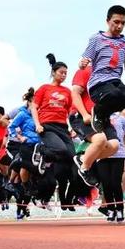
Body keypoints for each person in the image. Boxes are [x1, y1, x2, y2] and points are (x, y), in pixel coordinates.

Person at [79, 4, 125, 147]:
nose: (119, 26)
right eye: (116, 22)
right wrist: (83, 63)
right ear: (107, 21)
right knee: (114, 94)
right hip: (98, 82)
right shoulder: (96, 39)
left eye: (123, 23)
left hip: (115, 80)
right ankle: (97, 111)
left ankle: (102, 116)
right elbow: (83, 61)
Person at [33, 54, 76, 210]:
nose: (63, 75)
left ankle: (51, 160)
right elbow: (33, 107)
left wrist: (72, 128)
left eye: (66, 73)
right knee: (61, 149)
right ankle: (43, 152)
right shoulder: (44, 88)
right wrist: (37, 124)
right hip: (47, 126)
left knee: (72, 156)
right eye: (61, 72)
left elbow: (70, 111)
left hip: (62, 128)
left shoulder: (67, 91)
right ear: (53, 72)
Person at [69, 64, 117, 187]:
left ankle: (83, 159)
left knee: (114, 146)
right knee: (100, 139)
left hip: (101, 116)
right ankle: (84, 168)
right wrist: (84, 114)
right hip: (81, 115)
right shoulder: (85, 71)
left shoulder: (108, 75)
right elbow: (75, 93)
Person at [97, 112, 125, 223]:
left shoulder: (121, 119)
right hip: (102, 155)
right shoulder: (98, 118)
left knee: (115, 183)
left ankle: (120, 210)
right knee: (106, 184)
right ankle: (111, 209)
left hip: (118, 154)